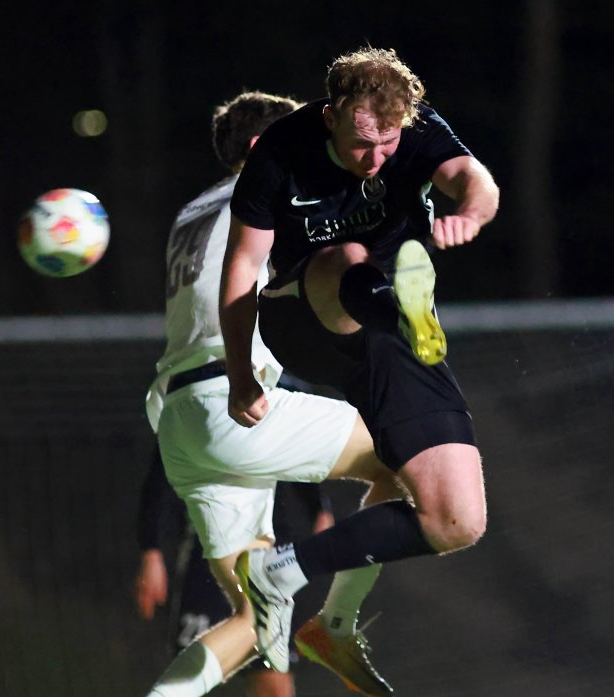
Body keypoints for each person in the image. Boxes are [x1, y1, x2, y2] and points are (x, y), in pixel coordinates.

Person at [219, 47, 499, 670]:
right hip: (302, 318)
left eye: (388, 145)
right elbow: (241, 269)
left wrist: (471, 213)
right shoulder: (281, 151)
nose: (374, 161)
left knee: (456, 521)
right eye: (360, 145)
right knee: (348, 257)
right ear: (331, 115)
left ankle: (293, 585)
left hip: (392, 340)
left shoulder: (418, 128)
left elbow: (474, 178)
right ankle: (400, 300)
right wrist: (241, 374)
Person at [144, 91, 400, 697]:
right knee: (409, 451)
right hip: (234, 406)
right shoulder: (267, 195)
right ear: (262, 148)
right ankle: (336, 623)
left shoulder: (192, 212)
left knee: (252, 619)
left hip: (180, 419)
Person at [134, 444, 334, 697]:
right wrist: (151, 552)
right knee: (190, 676)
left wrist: (319, 509)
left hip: (266, 558)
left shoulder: (272, 422)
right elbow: (157, 482)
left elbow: (295, 454)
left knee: (275, 684)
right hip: (208, 559)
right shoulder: (189, 421)